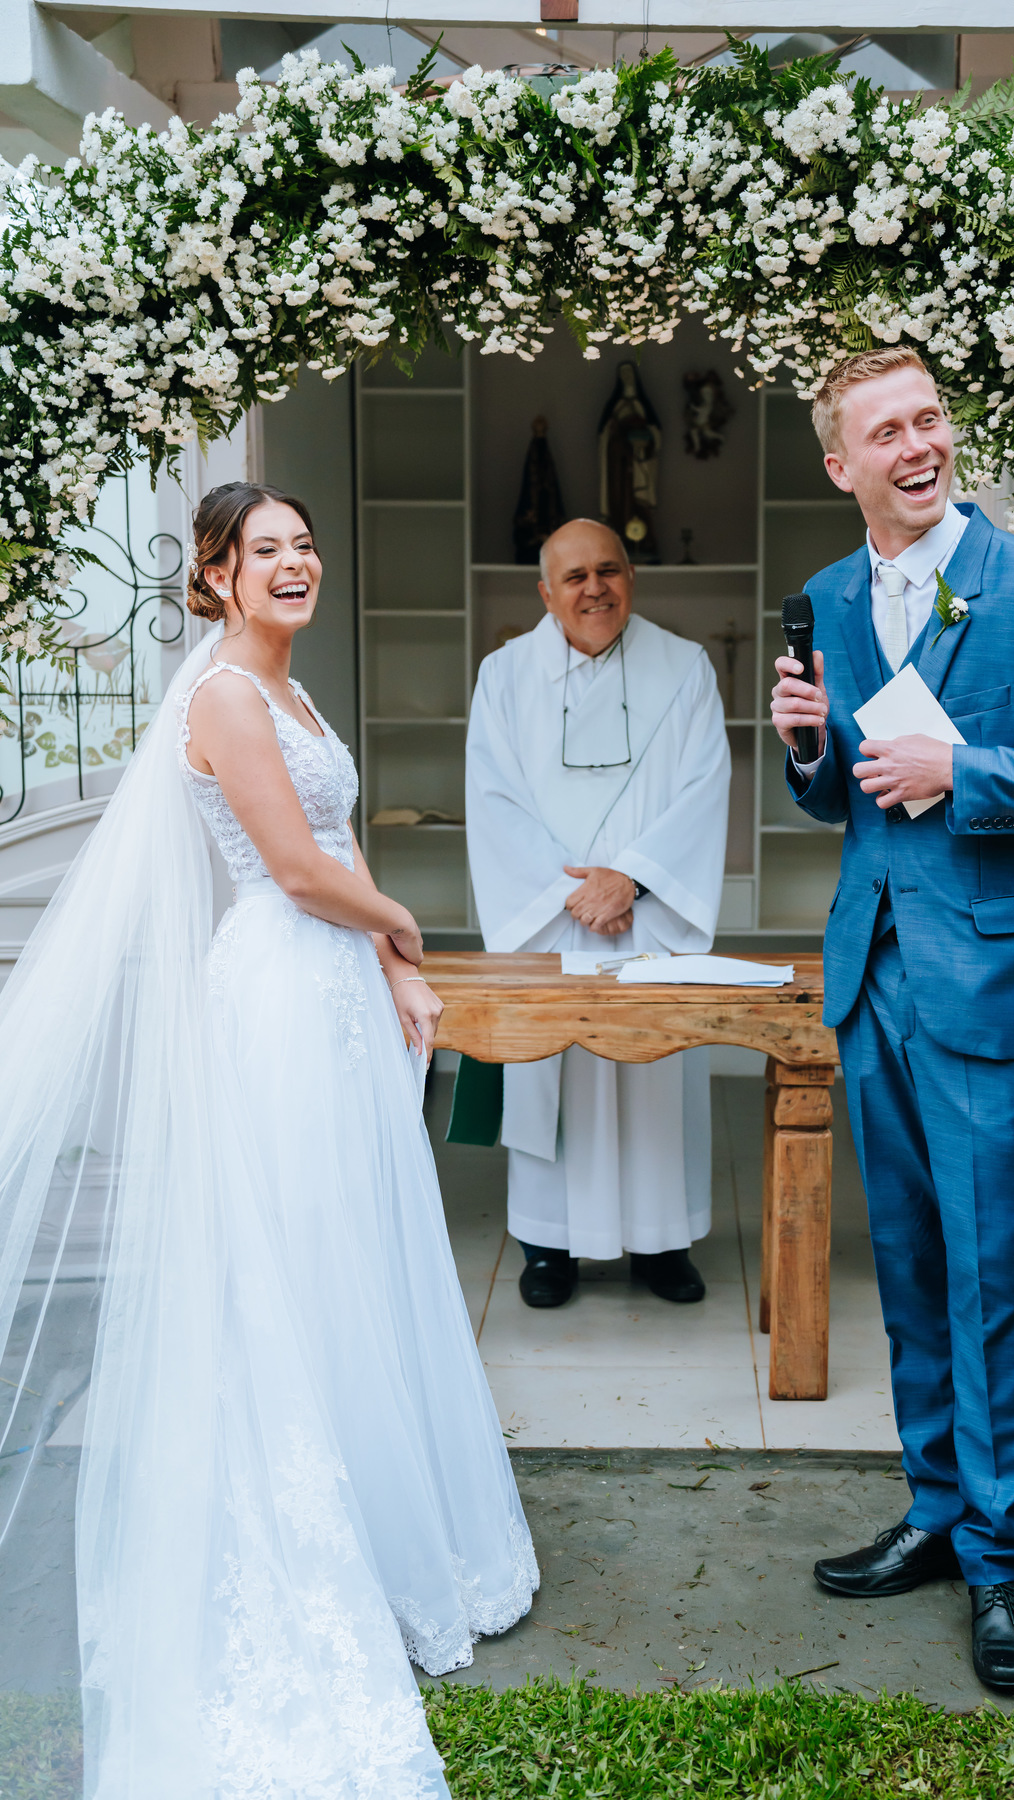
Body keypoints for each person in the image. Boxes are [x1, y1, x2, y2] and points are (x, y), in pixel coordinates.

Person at [0, 482, 536, 1795]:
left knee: (357, 1253)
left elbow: (334, 830)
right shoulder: (227, 698)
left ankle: (384, 1518)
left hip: (339, 989)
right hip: (282, 996)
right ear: (217, 576)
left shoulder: (292, 692)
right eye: (266, 551)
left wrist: (398, 975)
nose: (295, 564)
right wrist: (402, 925)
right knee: (294, 1262)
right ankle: (310, 1544)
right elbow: (297, 871)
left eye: (304, 546)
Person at [770, 348, 1014, 1694]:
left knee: (997, 1276)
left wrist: (968, 768)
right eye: (885, 432)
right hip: (873, 977)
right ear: (842, 465)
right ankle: (938, 1512)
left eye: (929, 418)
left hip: (996, 986)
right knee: (909, 1267)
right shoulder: (832, 597)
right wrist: (811, 749)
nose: (918, 446)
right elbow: (849, 797)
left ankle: (1003, 1562)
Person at [466, 518, 730, 1308]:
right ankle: (549, 1246)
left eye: (608, 570)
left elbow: (704, 787)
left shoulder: (684, 668)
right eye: (574, 577)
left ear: (631, 578)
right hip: (552, 922)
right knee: (552, 1073)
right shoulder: (503, 676)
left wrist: (634, 881)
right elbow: (493, 800)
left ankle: (662, 1242)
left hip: (647, 921)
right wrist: (571, 895)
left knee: (655, 1074)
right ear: (546, 593)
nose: (594, 589)